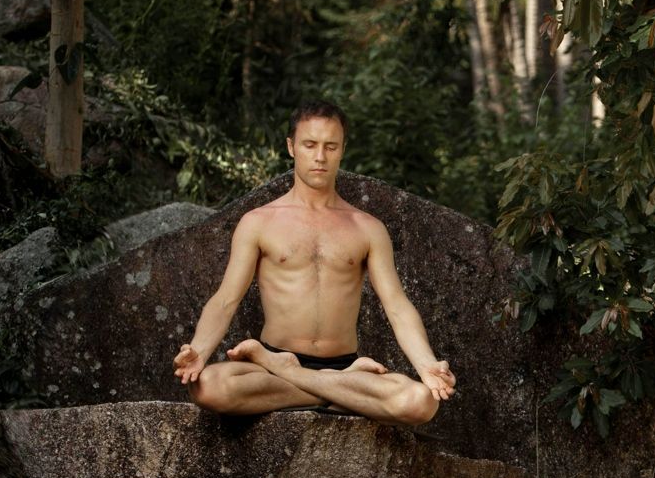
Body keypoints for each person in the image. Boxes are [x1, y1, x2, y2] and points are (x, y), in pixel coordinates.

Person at [172, 101, 455, 425]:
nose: (320, 157)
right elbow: (225, 300)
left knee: (421, 403)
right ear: (292, 147)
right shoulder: (259, 222)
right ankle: (338, 391)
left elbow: (396, 306)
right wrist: (199, 351)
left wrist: (426, 365)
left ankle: (301, 378)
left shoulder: (367, 228)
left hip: (338, 362)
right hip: (272, 363)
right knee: (209, 387)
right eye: (310, 145)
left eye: (330, 146)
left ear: (342, 150)